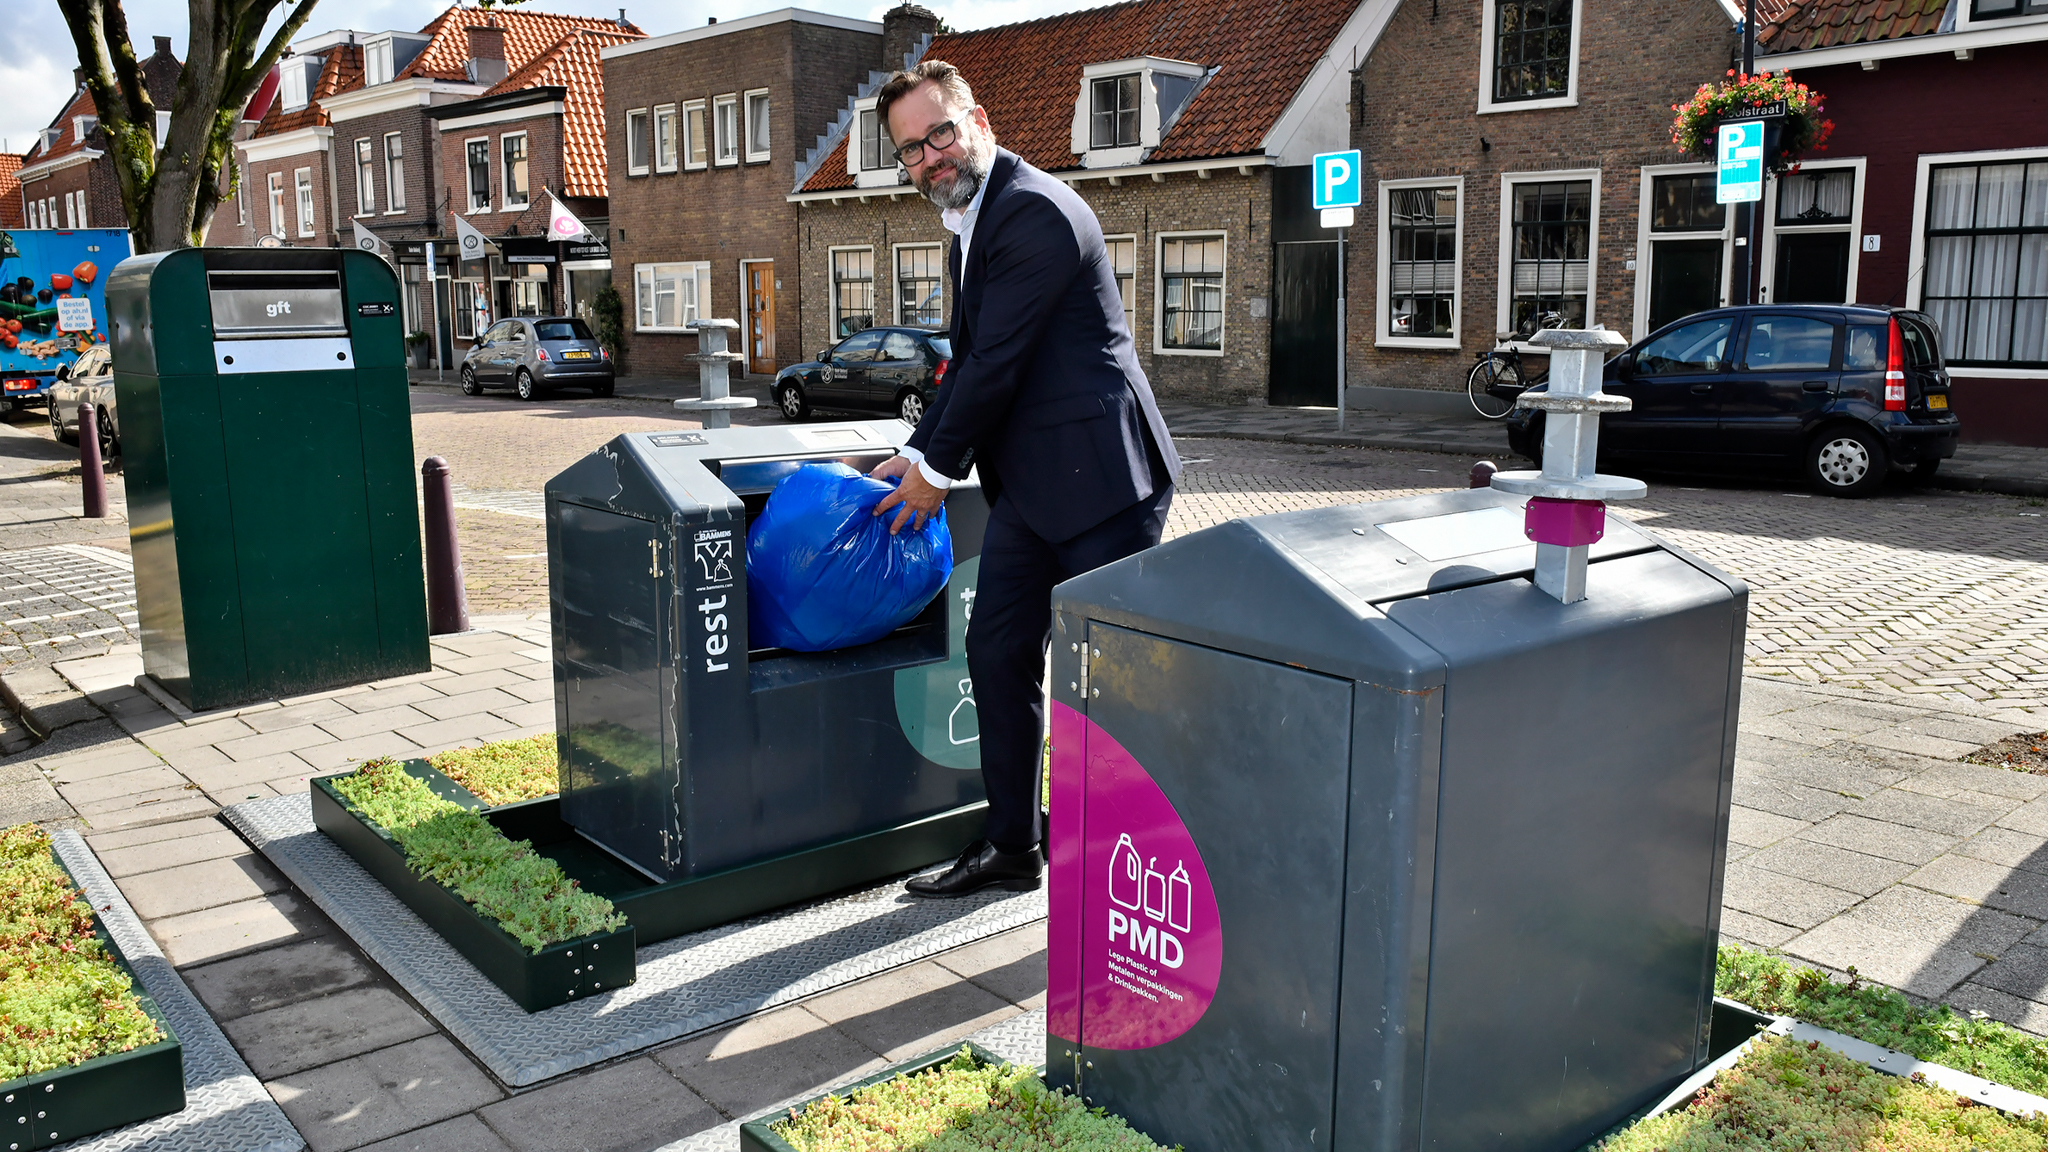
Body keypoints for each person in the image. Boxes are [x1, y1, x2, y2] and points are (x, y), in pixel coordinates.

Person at [869, 61, 1181, 898]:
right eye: (910, 150)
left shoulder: (1034, 210)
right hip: (1035, 492)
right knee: (997, 650)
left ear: (978, 117)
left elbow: (998, 365)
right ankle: (1014, 847)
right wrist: (916, 445)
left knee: (1111, 688)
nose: (930, 157)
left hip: (1105, 486)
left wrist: (933, 474)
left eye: (939, 133)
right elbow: (969, 360)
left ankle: (1137, 872)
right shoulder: (974, 219)